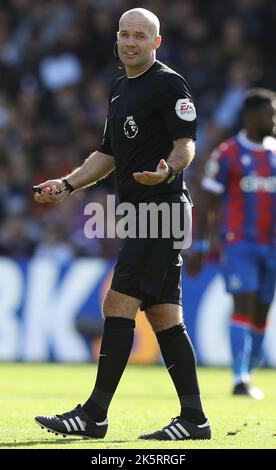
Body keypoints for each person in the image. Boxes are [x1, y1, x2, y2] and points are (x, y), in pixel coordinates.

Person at [33, 8, 211, 441]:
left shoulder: (168, 84)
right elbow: (108, 154)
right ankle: (194, 419)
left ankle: (94, 414)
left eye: (140, 36)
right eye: (125, 34)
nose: (130, 42)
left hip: (162, 208)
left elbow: (186, 142)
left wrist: (168, 169)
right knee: (166, 316)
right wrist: (69, 184)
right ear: (117, 38)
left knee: (117, 303)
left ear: (156, 42)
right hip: (142, 213)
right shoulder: (120, 89)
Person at [186, 88, 276, 399]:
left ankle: (249, 367)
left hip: (272, 247)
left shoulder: (275, 153)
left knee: (262, 313)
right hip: (239, 244)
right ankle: (240, 378)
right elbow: (208, 203)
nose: (274, 119)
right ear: (252, 116)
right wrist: (199, 248)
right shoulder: (227, 154)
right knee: (244, 304)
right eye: (269, 113)